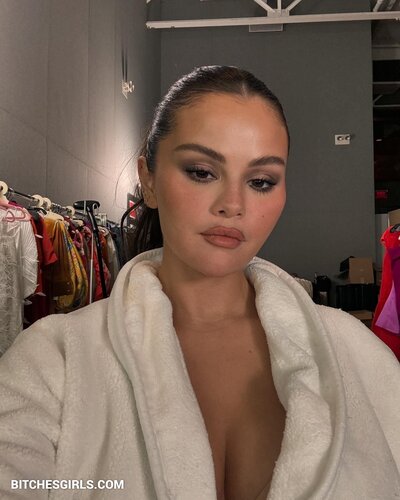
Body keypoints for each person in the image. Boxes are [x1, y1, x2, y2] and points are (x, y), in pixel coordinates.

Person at [0, 65, 399, 500]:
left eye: (261, 181)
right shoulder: (54, 358)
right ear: (149, 180)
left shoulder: (356, 353)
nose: (233, 204)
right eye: (202, 172)